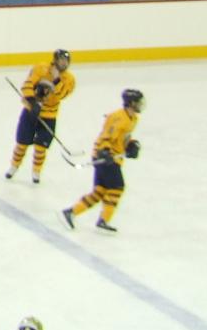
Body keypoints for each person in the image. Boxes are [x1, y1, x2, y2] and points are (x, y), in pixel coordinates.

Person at [62, 89, 145, 233]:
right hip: (105, 156)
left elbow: (123, 137)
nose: (141, 105)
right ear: (131, 103)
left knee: (100, 191)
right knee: (117, 187)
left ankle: (71, 212)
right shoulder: (118, 117)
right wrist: (104, 151)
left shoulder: (133, 119)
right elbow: (107, 135)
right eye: (138, 102)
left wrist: (131, 145)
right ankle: (104, 220)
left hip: (112, 157)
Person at [7, 48, 76, 185]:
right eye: (61, 60)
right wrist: (32, 102)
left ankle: (36, 171)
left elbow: (61, 95)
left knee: (41, 147)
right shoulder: (40, 69)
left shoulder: (69, 79)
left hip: (49, 115)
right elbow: (27, 84)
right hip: (30, 112)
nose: (63, 63)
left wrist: (56, 80)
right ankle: (14, 166)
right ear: (55, 60)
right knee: (22, 143)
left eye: (66, 61)